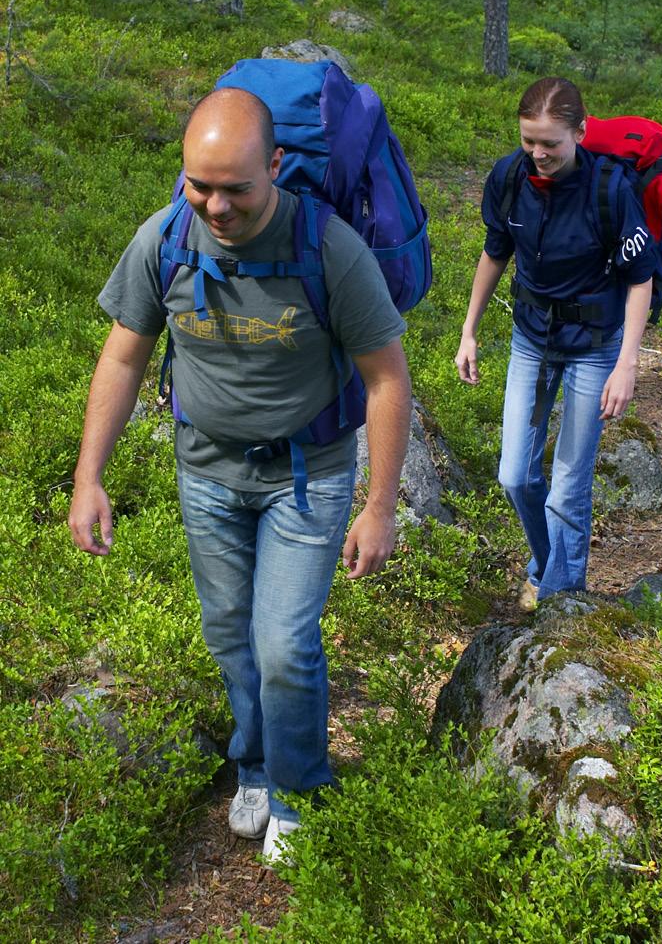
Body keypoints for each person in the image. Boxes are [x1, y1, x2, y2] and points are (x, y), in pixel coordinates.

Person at [69, 88, 412, 863]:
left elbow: (388, 377)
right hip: (208, 472)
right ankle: (254, 763)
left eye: (236, 188)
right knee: (231, 637)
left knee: (284, 643)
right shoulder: (166, 239)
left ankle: (299, 790)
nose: (215, 206)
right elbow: (123, 354)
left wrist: (381, 503)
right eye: (200, 185)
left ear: (278, 167)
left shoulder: (329, 248)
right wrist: (89, 475)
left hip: (307, 475)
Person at [455, 77, 660, 609]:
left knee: (569, 484)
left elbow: (641, 278)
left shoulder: (610, 189)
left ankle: (561, 600)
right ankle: (549, 565)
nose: (539, 154)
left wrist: (627, 364)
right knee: (514, 476)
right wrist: (469, 330)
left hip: (594, 345)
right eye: (529, 141)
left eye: (552, 143)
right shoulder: (508, 178)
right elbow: (495, 252)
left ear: (581, 133)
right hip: (531, 338)